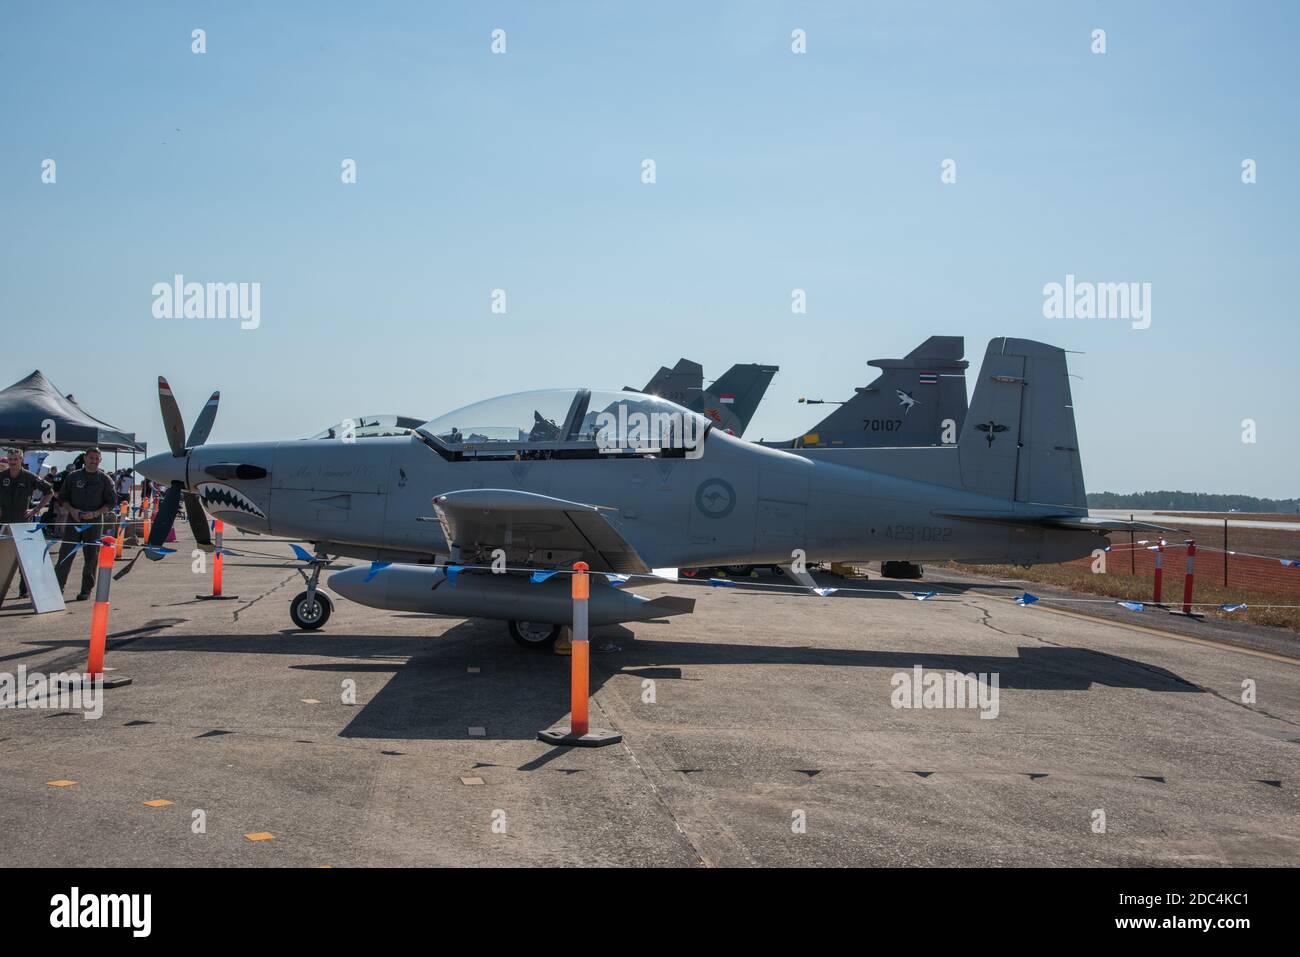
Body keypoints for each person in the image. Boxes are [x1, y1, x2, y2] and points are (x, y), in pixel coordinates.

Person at [55, 448, 117, 600]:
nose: (94, 461)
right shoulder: (73, 477)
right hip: (74, 521)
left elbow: (111, 503)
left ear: (100, 460)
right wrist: (72, 510)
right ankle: (57, 589)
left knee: (91, 557)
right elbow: (62, 497)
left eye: (97, 458)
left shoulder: (105, 479)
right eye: (91, 458)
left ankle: (86, 590)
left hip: (94, 522)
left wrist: (95, 513)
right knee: (65, 554)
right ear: (85, 458)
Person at [0, 448, 54, 606]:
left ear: (21, 460)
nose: (12, 462)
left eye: (15, 459)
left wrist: (36, 509)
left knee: (25, 559)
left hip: (23, 522)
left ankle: (24, 589)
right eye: (10, 459)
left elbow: (49, 491)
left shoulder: (29, 477)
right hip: (3, 522)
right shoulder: (2, 476)